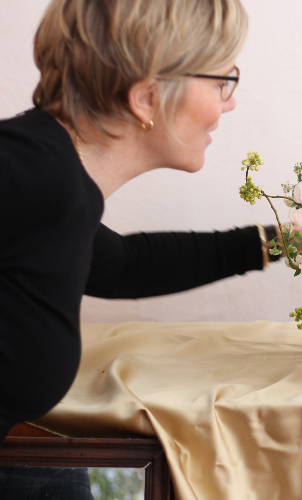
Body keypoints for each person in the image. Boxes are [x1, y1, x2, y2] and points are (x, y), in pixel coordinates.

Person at [0, 0, 274, 446]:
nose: (231, 103)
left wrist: (288, 242)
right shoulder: (31, 174)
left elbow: (123, 264)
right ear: (148, 97)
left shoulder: (55, 182)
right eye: (224, 81)